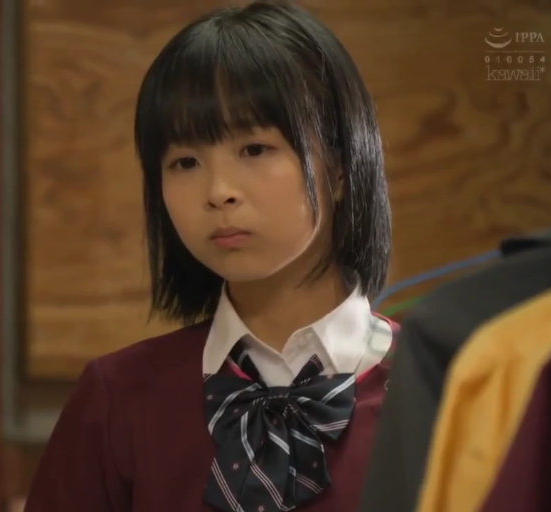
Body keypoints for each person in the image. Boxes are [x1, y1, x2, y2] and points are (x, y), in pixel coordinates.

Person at [24, 1, 395, 510]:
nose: (219, 191)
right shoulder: (119, 399)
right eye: (185, 162)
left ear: (339, 168)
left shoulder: (445, 390)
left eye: (254, 149)